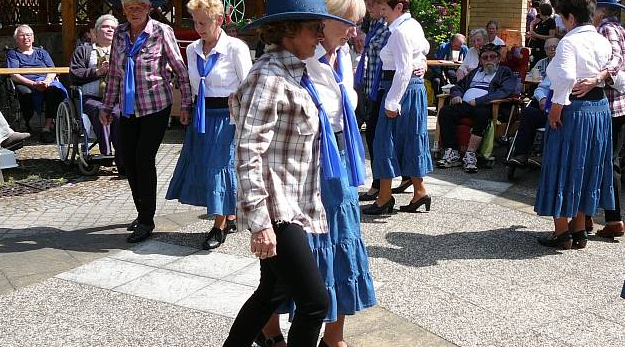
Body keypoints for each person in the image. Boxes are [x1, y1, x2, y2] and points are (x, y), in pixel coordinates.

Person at [223, 0, 355, 345]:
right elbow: (247, 152)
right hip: (276, 209)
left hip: (292, 205)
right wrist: (260, 222)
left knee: (271, 291)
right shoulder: (268, 77)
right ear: (290, 30)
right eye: (315, 27)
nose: (320, 35)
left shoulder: (293, 72)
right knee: (315, 303)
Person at [257, 1, 375, 346]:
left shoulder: (344, 57)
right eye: (349, 23)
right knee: (293, 261)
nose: (354, 31)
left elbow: (343, 109)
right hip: (303, 165)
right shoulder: (298, 58)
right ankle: (271, 333)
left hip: (338, 159)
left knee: (341, 249)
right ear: (325, 21)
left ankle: (333, 338)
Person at [100, 0, 192, 243]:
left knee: (143, 158)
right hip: (128, 108)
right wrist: (107, 106)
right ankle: (142, 210)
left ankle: (146, 220)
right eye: (128, 6)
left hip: (155, 106)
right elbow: (114, 74)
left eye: (139, 5)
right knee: (127, 161)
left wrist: (185, 104)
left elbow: (180, 69)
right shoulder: (119, 33)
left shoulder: (162, 32)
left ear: (148, 7)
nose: (133, 10)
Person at [166, 0, 252, 250]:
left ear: (219, 20)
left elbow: (247, 85)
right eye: (195, 21)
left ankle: (219, 225)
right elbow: (193, 85)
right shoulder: (193, 49)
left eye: (204, 22)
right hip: (203, 115)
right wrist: (188, 108)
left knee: (219, 167)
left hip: (228, 116)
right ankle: (231, 214)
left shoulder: (235, 48)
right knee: (206, 166)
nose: (198, 27)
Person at [534, 0, 614, 250]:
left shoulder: (569, 41)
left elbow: (567, 76)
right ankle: (579, 230)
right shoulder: (602, 40)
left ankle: (562, 233)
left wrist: (556, 106)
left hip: (574, 109)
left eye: (561, 17)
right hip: (599, 109)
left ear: (570, 17)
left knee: (562, 163)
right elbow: (615, 73)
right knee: (586, 165)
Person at [362, 0, 431, 215]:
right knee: (409, 138)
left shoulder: (400, 31)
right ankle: (419, 191)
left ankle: (384, 198)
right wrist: (421, 60)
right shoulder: (413, 25)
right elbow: (424, 47)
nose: (382, 13)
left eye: (385, 9)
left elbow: (402, 69)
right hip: (409, 88)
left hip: (399, 88)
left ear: (398, 7)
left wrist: (392, 102)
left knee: (384, 140)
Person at [572, 0, 625, 238]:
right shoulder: (620, 29)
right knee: (605, 160)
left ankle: (612, 219)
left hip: (609, 105)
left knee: (603, 161)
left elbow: (615, 61)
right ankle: (591, 216)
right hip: (618, 104)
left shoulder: (606, 29)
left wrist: (598, 77)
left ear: (602, 11)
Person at [356, 0, 411, 203]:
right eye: (368, 5)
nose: (370, 10)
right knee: (381, 136)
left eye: (373, 5)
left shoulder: (394, 25)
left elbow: (415, 48)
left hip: (385, 87)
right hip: (373, 86)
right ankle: (404, 178)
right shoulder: (375, 24)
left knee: (376, 136)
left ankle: (380, 185)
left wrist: (420, 61)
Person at [436, 44, 516, 173]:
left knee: (482, 113)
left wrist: (478, 101)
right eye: (485, 57)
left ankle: (470, 154)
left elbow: (505, 91)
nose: (489, 59)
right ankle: (452, 152)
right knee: (446, 111)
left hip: (486, 105)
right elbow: (457, 86)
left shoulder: (504, 71)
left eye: (492, 56)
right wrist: (457, 95)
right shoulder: (475, 72)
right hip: (466, 104)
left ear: (498, 59)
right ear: (480, 60)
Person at [69, 14, 124, 174]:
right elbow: (74, 73)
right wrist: (97, 71)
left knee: (119, 115)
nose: (110, 30)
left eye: (113, 28)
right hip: (91, 98)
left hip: (116, 98)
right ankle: (106, 153)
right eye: (106, 27)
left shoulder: (122, 51)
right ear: (96, 31)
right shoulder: (84, 50)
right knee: (102, 110)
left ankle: (122, 160)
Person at [6, 24, 66, 142]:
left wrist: (46, 82)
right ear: (16, 39)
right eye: (22, 35)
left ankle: (47, 127)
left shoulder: (42, 52)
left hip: (45, 81)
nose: (26, 37)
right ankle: (27, 121)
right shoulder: (13, 54)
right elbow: (14, 75)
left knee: (54, 91)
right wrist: (33, 84)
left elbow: (52, 70)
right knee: (25, 93)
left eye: (28, 35)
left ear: (33, 38)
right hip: (26, 83)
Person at [507, 76, 551, 166]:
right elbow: (540, 89)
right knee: (528, 112)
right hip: (546, 109)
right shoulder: (557, 68)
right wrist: (542, 98)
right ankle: (521, 154)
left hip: (564, 113)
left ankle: (542, 155)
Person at [528, 2, 556, 69]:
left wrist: (537, 35)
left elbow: (551, 36)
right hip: (535, 48)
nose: (539, 13)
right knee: (533, 66)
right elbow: (534, 33)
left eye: (540, 11)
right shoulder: (540, 22)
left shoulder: (551, 22)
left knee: (541, 67)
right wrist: (531, 25)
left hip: (543, 49)